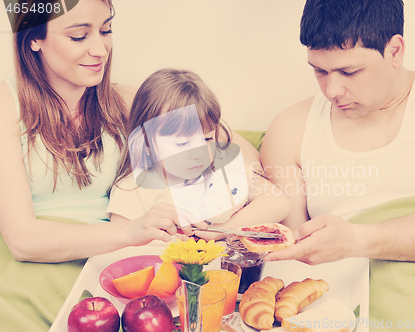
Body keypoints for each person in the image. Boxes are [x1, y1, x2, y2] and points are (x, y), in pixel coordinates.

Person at [261, 0, 415, 328]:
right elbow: (289, 255)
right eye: (319, 70)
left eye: (349, 71)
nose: (332, 90)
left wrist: (357, 240)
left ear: (395, 51)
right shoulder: (290, 129)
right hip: (338, 308)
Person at [0, 0, 204, 265]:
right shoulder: (7, 105)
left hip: (113, 266)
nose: (100, 50)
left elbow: (226, 141)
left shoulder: (125, 102)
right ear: (33, 38)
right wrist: (131, 231)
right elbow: (23, 242)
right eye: (78, 36)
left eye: (106, 30)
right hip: (38, 272)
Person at [107, 68, 291, 240]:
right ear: (146, 141)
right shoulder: (133, 189)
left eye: (207, 139)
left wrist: (218, 232)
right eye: (183, 143)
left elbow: (279, 202)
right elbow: (119, 242)